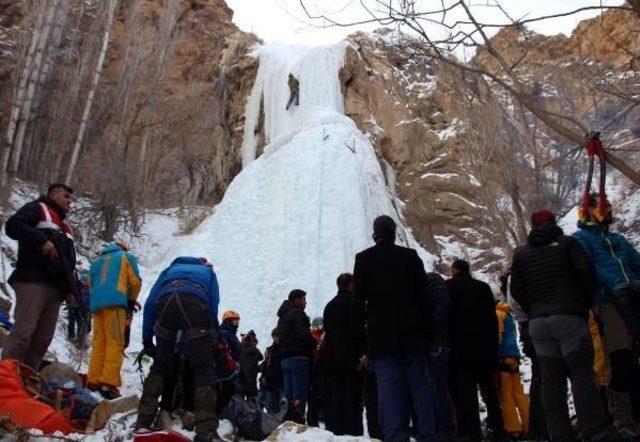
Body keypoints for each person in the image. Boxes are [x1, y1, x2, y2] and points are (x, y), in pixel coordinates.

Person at [510, 209, 611, 441]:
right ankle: (594, 430)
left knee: (551, 380)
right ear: (554, 223)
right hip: (568, 317)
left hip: (538, 324)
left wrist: (534, 307)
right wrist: (582, 303)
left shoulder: (521, 253)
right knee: (581, 374)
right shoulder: (568, 244)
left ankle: (559, 434)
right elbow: (587, 273)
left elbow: (516, 288)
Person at [352, 215, 436, 441]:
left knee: (388, 393)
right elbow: (425, 299)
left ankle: (395, 436)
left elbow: (358, 304)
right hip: (414, 336)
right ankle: (427, 434)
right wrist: (431, 336)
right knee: (420, 391)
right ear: (394, 231)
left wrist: (363, 343)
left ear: (374, 233)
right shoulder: (410, 257)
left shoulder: (364, 259)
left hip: (381, 338)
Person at [573, 195, 640, 434]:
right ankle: (621, 416)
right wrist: (618, 285)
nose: (608, 209)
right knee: (620, 357)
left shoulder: (618, 239)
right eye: (602, 206)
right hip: (609, 301)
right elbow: (592, 268)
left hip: (633, 296)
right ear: (589, 211)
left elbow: (635, 261)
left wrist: (635, 283)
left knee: (637, 355)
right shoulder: (580, 240)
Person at [136, 257, 220, 442]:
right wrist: (211, 335)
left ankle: (143, 420)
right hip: (194, 301)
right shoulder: (208, 272)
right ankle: (205, 430)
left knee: (160, 366)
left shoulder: (170, 270)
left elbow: (150, 304)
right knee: (204, 370)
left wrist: (147, 340)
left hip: (165, 302)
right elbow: (213, 306)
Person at [2, 183, 76, 370]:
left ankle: (28, 378)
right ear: (53, 195)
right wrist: (42, 240)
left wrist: (69, 289)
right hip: (33, 280)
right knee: (23, 332)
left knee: (42, 339)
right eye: (66, 196)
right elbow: (13, 226)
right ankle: (6, 376)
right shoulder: (38, 208)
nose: (70, 201)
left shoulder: (65, 227)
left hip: (56, 289)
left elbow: (68, 262)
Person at [446, 259, 504, 441]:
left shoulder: (448, 287)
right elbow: (492, 319)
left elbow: (445, 318)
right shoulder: (483, 288)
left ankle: (470, 433)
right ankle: (498, 429)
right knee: (490, 393)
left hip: (460, 350)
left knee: (465, 395)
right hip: (485, 348)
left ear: (454, 270)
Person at [87, 242, 142, 399]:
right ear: (123, 248)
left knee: (99, 343)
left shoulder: (96, 262)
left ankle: (94, 380)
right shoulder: (125, 257)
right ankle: (108, 383)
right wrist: (130, 300)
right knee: (115, 342)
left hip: (97, 306)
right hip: (115, 305)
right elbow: (136, 282)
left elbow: (92, 285)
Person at [322, 273, 363, 436]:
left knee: (336, 397)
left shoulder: (329, 306)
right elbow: (358, 331)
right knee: (352, 397)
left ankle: (335, 431)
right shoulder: (354, 302)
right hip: (352, 358)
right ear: (351, 285)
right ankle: (352, 432)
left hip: (333, 359)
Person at [276, 289, 317, 423]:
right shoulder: (297, 314)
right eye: (304, 299)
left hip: (285, 359)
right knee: (299, 395)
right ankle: (299, 423)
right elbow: (304, 334)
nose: (306, 302)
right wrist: (315, 344)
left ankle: (289, 423)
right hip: (299, 358)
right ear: (297, 300)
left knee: (290, 396)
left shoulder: (282, 317)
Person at [425, 271, 455, 440]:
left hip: (435, 342)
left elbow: (442, 306)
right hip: (433, 341)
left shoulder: (430, 281)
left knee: (437, 385)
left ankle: (444, 427)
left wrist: (433, 332)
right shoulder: (430, 284)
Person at [495, 299, 530, 438]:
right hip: (514, 357)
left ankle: (512, 428)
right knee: (519, 393)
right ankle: (528, 425)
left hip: (503, 358)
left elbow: (498, 337)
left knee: (505, 395)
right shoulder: (507, 313)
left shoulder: (497, 314)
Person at [259, 329, 284, 414]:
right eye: (274, 337)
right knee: (271, 407)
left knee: (281, 406)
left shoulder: (285, 350)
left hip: (282, 382)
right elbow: (265, 365)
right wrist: (263, 376)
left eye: (277, 337)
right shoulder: (269, 350)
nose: (275, 339)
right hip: (271, 383)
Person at [307, 316, 324, 427]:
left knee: (314, 398)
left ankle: (313, 419)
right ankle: (314, 421)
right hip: (316, 370)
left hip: (313, 370)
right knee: (315, 397)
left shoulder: (315, 336)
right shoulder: (315, 337)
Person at [240, 330, 263, 400]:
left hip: (242, 378)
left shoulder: (241, 350)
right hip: (252, 378)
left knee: (241, 399)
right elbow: (261, 358)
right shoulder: (255, 350)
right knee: (252, 400)